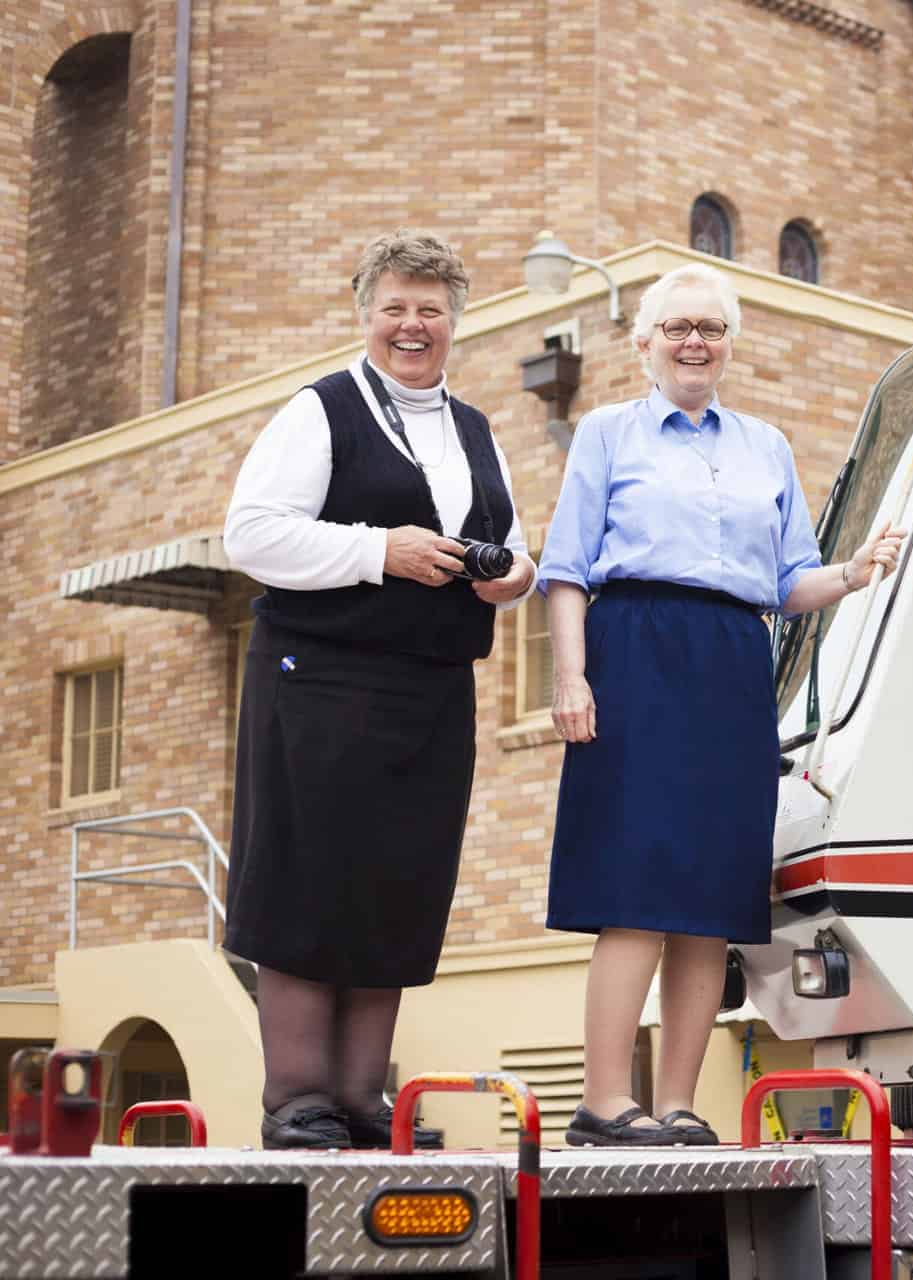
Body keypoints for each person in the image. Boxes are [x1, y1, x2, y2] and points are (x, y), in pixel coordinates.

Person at [539, 262, 905, 1147]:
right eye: (678, 327)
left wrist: (853, 573)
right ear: (645, 342)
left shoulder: (765, 446)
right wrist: (571, 677)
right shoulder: (607, 432)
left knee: (710, 899)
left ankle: (674, 1105)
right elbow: (567, 570)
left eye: (711, 328)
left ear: (730, 344)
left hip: (734, 663)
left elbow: (789, 582)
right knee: (635, 888)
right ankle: (602, 1103)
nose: (695, 342)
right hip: (633, 652)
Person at [223, 231, 535, 1148]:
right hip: (320, 677)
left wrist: (511, 576)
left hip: (429, 690)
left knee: (396, 881)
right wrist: (378, 550)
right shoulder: (319, 410)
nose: (412, 325)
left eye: (430, 310)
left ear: (454, 323)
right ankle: (297, 1100)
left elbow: (514, 546)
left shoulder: (474, 428)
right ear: (366, 315)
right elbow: (252, 535)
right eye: (395, 307)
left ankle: (362, 1101)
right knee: (308, 874)